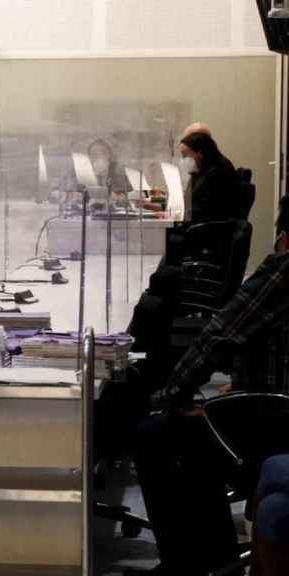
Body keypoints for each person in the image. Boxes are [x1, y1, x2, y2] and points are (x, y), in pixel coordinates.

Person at [130, 196, 289, 575]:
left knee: (155, 432)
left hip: (275, 422)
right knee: (194, 430)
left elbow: (218, 336)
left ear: (283, 237)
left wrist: (170, 397)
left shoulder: (285, 272)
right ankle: (214, 556)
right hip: (271, 408)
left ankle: (190, 562)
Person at [179, 131, 239, 223]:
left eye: (186, 156)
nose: (183, 160)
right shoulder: (201, 169)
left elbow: (206, 209)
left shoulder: (218, 172)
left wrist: (176, 214)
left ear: (200, 153)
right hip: (196, 224)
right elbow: (188, 202)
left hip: (206, 229)